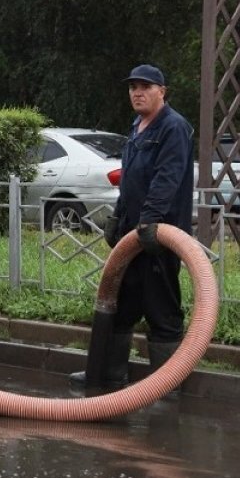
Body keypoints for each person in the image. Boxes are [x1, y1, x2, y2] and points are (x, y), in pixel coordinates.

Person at [70, 64, 195, 390]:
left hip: (159, 238)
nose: (137, 92)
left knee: (161, 311)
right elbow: (130, 182)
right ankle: (106, 376)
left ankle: (166, 387)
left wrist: (151, 222)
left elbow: (167, 178)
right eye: (133, 87)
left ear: (162, 91)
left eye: (146, 86)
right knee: (119, 307)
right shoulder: (137, 126)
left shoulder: (174, 128)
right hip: (131, 235)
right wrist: (117, 217)